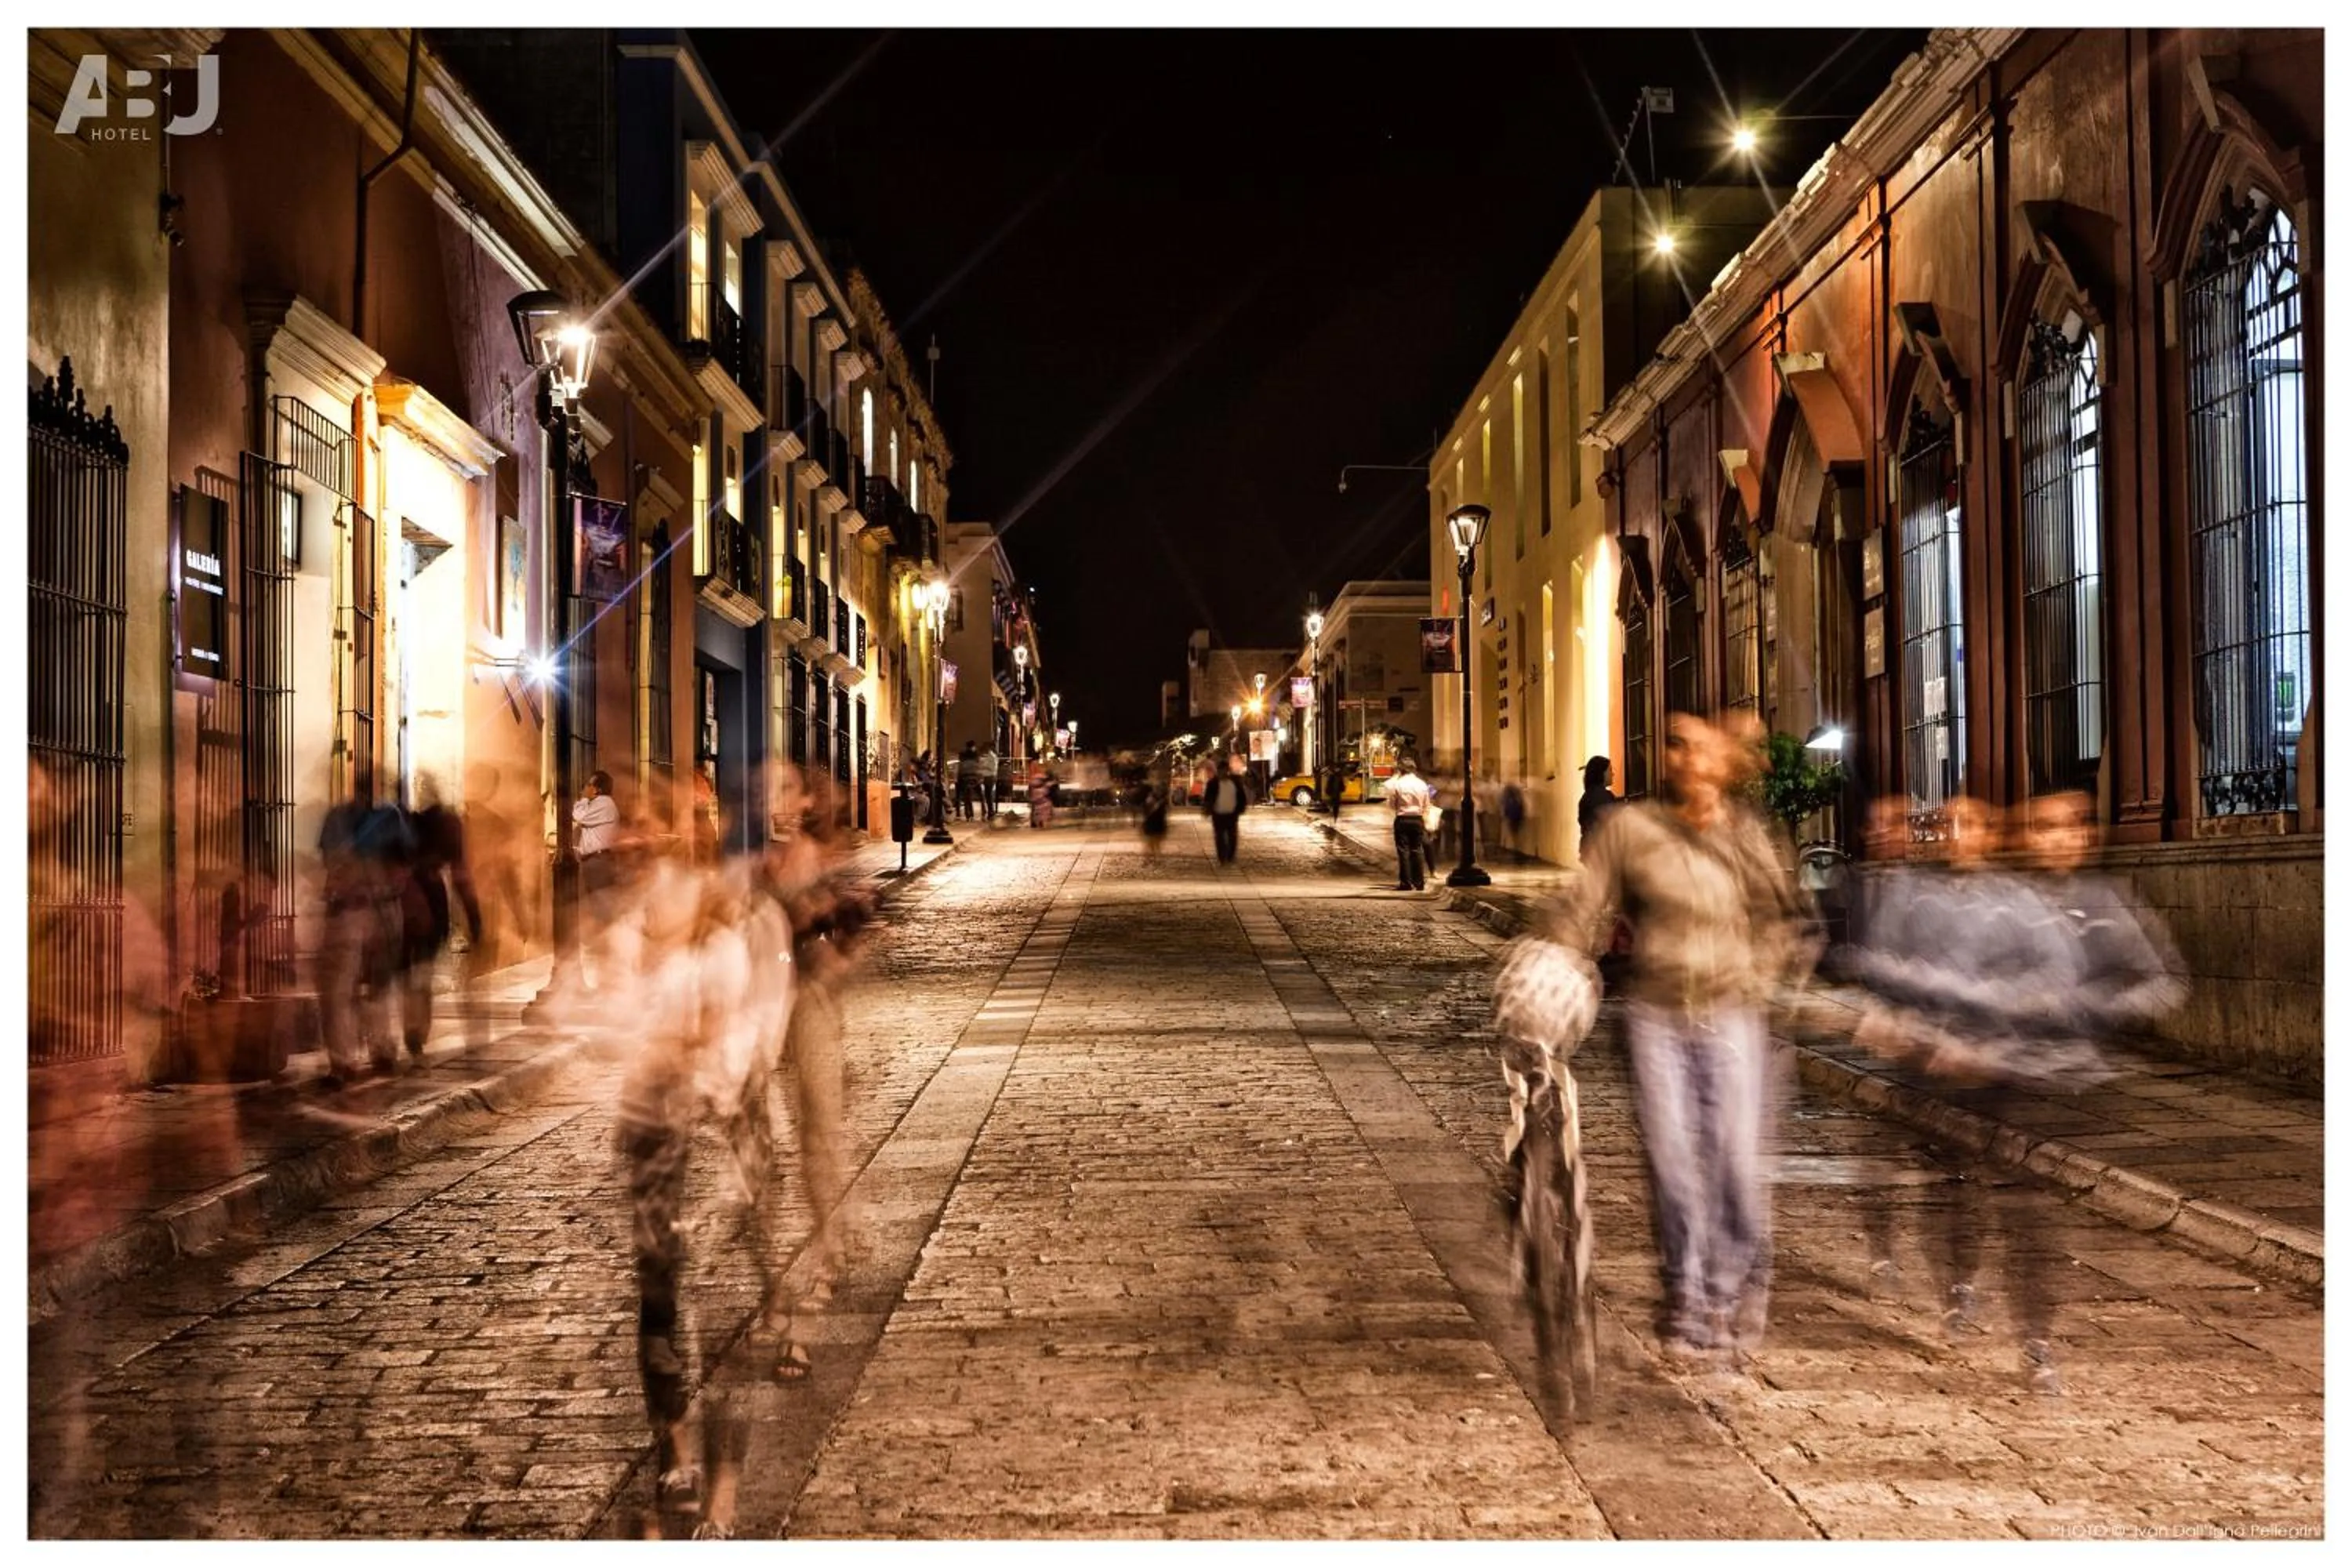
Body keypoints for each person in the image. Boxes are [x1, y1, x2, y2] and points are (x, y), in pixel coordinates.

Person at [1537, 713, 1807, 1361]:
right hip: (1657, 1015)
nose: (1682, 757)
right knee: (1674, 1166)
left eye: (1697, 747)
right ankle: (1686, 1293)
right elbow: (1584, 906)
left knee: (1736, 1165)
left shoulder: (1749, 837)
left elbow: (1783, 918)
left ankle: (1734, 1283)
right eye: (1675, 746)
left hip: (1734, 1015)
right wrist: (1555, 962)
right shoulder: (1633, 830)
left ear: (1722, 762)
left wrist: (1763, 975)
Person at [397, 775, 482, 1058]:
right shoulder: (415, 822)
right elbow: (460, 873)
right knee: (415, 973)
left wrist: (472, 914)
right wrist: (474, 916)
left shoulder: (412, 822)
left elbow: (459, 873)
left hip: (417, 906)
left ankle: (414, 1034)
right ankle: (412, 1033)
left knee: (415, 973)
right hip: (414, 904)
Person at [1386, 755, 1434, 891]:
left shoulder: (1398, 784)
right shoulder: (1422, 784)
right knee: (1417, 849)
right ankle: (1419, 882)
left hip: (1402, 818)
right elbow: (1427, 804)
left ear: (1402, 770)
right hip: (1417, 819)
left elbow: (1392, 804)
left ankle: (1406, 883)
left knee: (1403, 851)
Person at [1203, 750, 1250, 865]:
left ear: (1227, 771)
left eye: (1225, 770)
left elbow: (1241, 796)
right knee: (1219, 837)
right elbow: (1208, 797)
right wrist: (1207, 809)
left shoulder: (1235, 782)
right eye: (1221, 771)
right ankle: (1222, 857)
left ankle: (1230, 856)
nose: (1223, 773)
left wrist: (1241, 808)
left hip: (1231, 813)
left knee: (1232, 836)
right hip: (1218, 813)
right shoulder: (1213, 783)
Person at [1576, 756, 1620, 862]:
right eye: (1609, 770)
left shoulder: (1587, 796)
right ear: (1601, 773)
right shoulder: (1603, 797)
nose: (1613, 774)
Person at [956, 741, 980, 821]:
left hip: (964, 778)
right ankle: (978, 814)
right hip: (973, 778)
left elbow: (960, 770)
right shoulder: (976, 756)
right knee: (980, 797)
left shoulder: (963, 757)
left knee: (966, 797)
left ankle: (966, 815)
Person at [977, 743, 1000, 819]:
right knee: (988, 795)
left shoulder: (992, 757)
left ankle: (991, 812)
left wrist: (983, 767)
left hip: (990, 777)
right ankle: (990, 812)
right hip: (988, 777)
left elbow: (991, 768)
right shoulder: (989, 756)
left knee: (989, 795)